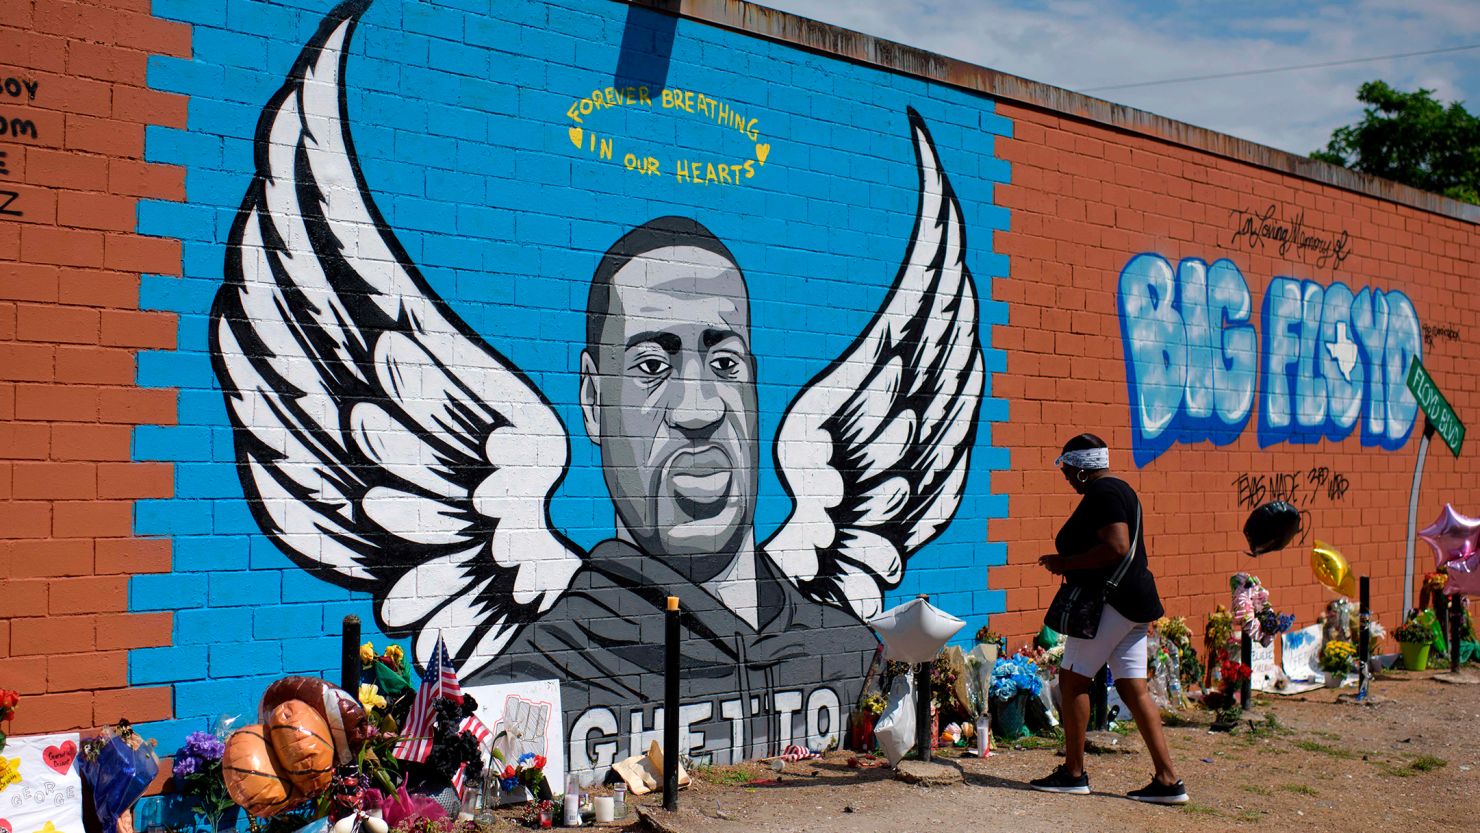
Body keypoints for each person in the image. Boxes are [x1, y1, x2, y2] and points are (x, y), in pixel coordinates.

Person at [479, 218, 878, 768]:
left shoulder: (848, 652)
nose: (700, 410)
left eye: (724, 363)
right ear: (594, 401)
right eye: (651, 365)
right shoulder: (540, 679)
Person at [1029, 433, 1187, 804]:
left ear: (1083, 470)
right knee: (1134, 689)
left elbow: (1116, 546)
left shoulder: (1102, 494)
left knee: (1072, 681)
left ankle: (1072, 772)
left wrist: (1064, 563)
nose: (1066, 477)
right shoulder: (1121, 490)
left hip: (1110, 604)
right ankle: (1168, 780)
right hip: (1135, 604)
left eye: (1068, 470)